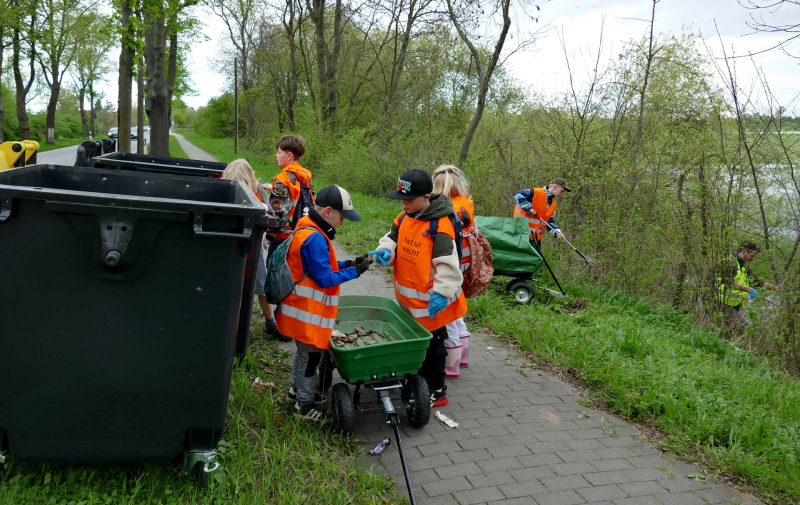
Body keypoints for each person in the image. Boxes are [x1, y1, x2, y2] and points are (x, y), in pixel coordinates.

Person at [371, 169, 467, 407]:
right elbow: (392, 237)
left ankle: (437, 390)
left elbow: (448, 265)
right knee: (415, 344)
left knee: (434, 348)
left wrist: (441, 294)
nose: (404, 203)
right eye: (401, 198)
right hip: (409, 301)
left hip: (432, 302)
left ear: (426, 197)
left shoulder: (441, 226)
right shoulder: (404, 217)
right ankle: (417, 381)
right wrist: (387, 250)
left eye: (409, 199)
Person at [277, 185, 371, 421]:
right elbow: (325, 278)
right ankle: (305, 406)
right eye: (342, 217)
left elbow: (319, 266)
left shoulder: (306, 226)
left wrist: (348, 263)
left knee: (302, 354)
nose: (343, 222)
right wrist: (356, 273)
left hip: (298, 309)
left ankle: (296, 391)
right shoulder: (316, 238)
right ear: (328, 211)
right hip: (306, 312)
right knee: (310, 358)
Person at [264, 135, 314, 342]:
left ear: (289, 155)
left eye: (279, 152)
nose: (276, 155)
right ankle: (290, 321)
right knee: (292, 279)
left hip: (282, 239)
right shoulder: (304, 177)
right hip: (299, 235)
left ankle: (281, 325)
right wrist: (273, 190)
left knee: (277, 281)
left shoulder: (283, 179)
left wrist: (268, 236)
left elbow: (277, 215)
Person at [222, 159, 273, 336]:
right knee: (237, 288)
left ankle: (271, 321)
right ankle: (243, 325)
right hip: (232, 248)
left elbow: (269, 210)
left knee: (260, 285)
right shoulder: (225, 191)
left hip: (254, 248)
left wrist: (263, 207)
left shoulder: (257, 190)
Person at [432, 165, 473, 377]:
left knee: (448, 315)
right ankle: (463, 357)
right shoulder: (465, 203)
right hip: (464, 261)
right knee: (457, 310)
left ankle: (451, 365)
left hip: (452, 263)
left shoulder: (448, 210)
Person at [714, 241, 778, 335]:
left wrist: (777, 289)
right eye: (752, 256)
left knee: (728, 333)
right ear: (744, 252)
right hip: (720, 304)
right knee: (744, 330)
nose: (753, 259)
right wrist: (749, 289)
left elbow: (757, 282)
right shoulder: (729, 262)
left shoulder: (743, 267)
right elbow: (728, 281)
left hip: (733, 305)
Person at [513, 177, 570, 251]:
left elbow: (549, 222)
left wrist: (557, 232)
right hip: (520, 234)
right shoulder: (535, 192)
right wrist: (528, 208)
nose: (562, 194)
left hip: (535, 239)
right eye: (561, 191)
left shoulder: (553, 205)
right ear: (555, 187)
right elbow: (518, 194)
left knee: (535, 261)